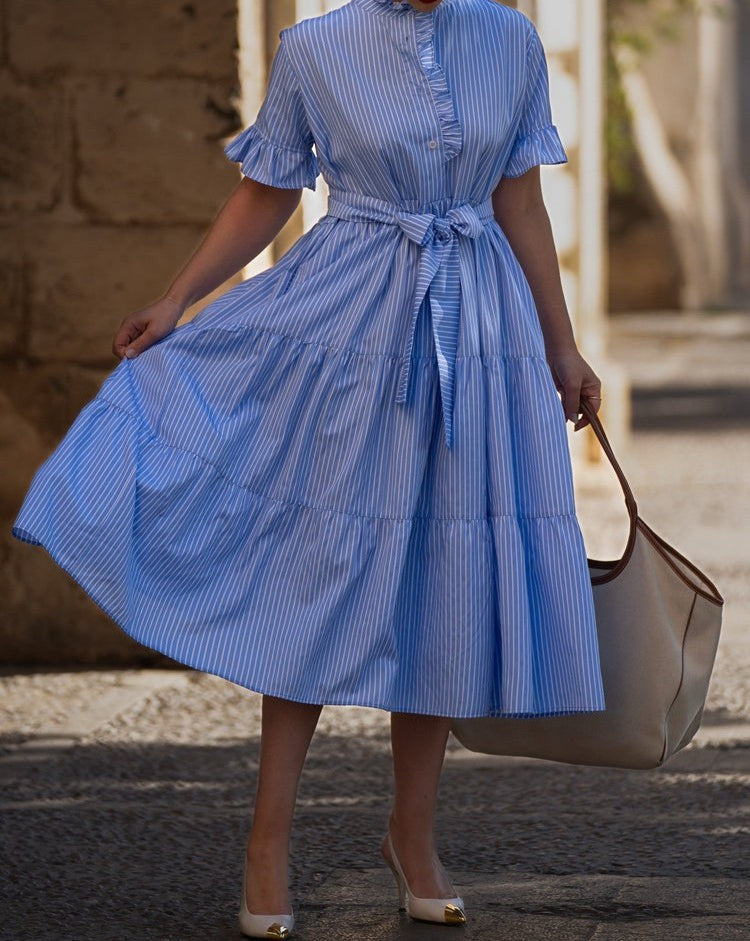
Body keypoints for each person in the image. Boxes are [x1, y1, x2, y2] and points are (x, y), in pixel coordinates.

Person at [11, 0, 606, 936]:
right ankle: (267, 843)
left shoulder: (511, 38)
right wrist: (176, 301)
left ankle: (413, 837)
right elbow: (267, 191)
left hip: (480, 329)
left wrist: (561, 348)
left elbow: (519, 203)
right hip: (350, 329)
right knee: (317, 574)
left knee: (445, 577)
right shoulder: (315, 48)